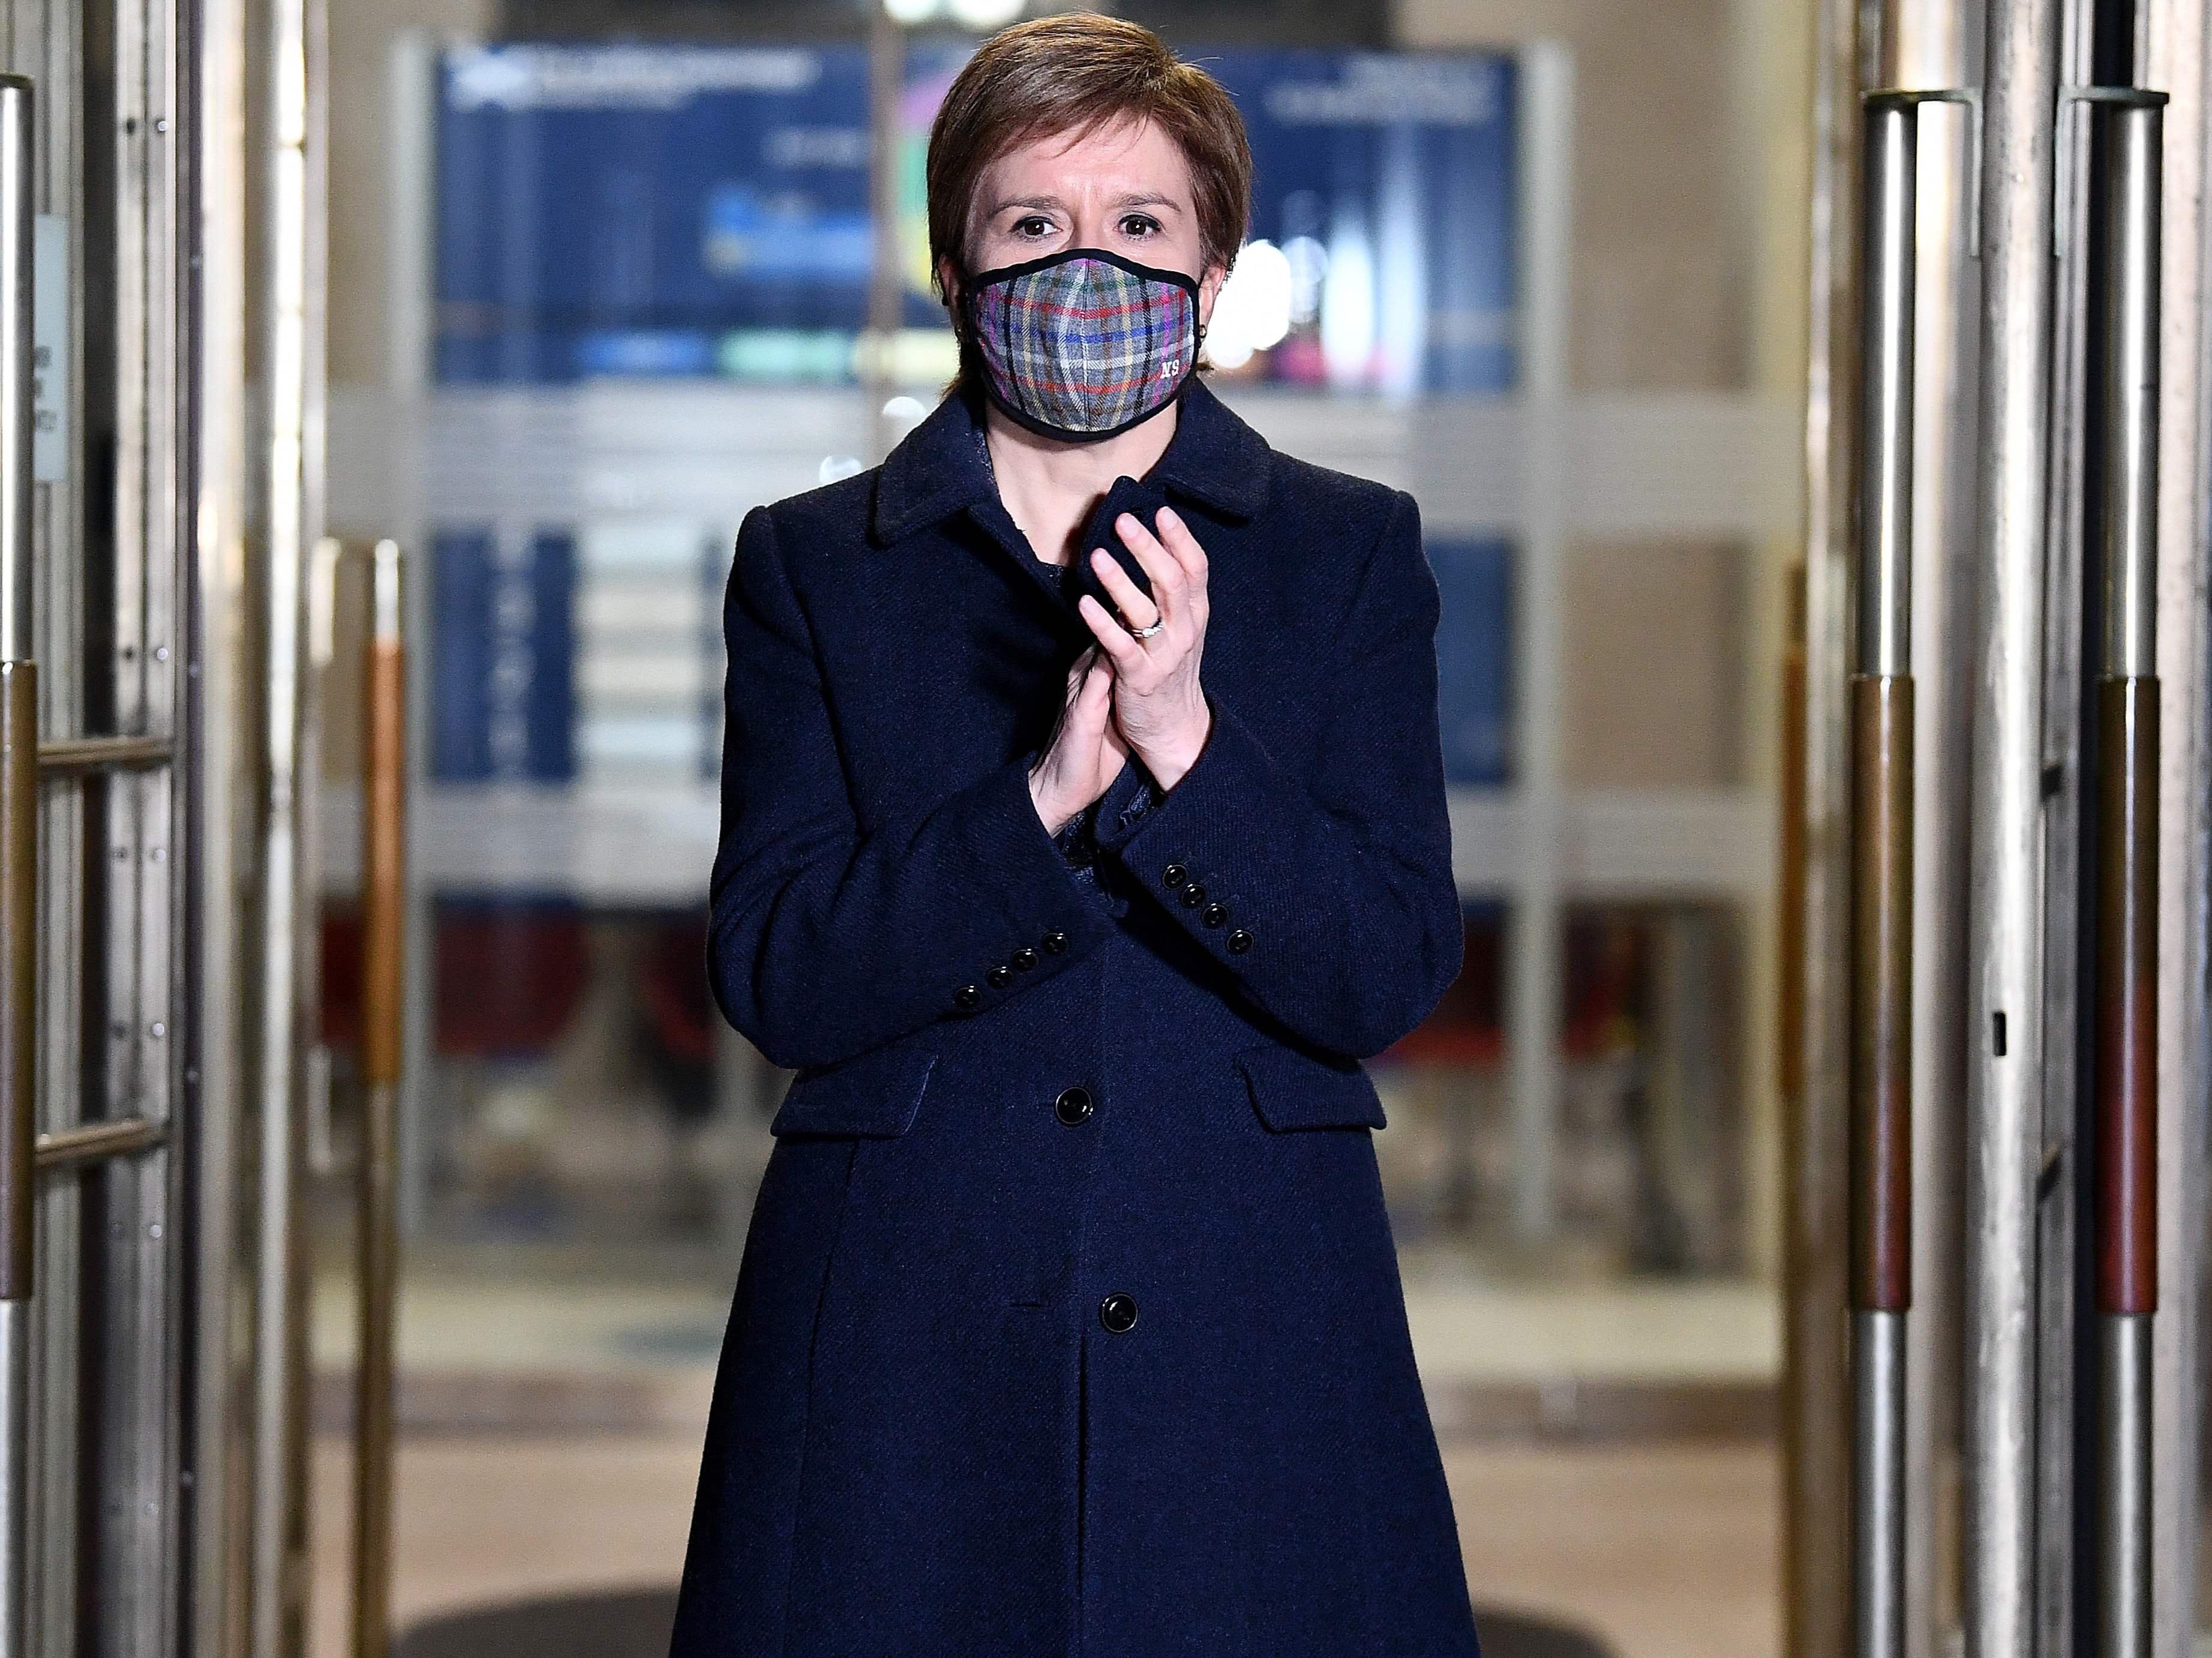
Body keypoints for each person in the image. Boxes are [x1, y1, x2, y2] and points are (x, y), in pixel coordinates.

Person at [668, 14, 1481, 1656]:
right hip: (902, 1322)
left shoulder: (1345, 556)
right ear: (957, 268)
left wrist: (1184, 740)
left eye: (1140, 228)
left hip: (1252, 1310)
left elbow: (1384, 962)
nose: (1086, 269)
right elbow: (776, 968)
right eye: (1033, 226)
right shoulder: (821, 564)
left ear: (1215, 264)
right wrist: (1038, 800)